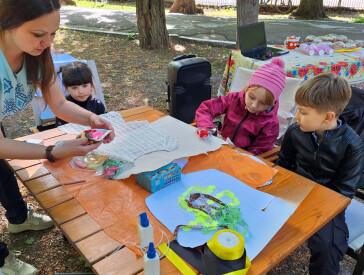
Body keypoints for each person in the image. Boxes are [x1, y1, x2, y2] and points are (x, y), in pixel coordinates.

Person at [0, 0, 115, 274]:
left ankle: (18, 219)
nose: (47, 42)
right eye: (39, 34)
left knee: (2, 175)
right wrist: (52, 151)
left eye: (53, 33)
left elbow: (59, 104)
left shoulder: (38, 53)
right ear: (6, 22)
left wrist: (90, 118)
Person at [276, 73, 364, 275]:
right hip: (293, 191)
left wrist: (311, 200)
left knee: (328, 248)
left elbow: (344, 191)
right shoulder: (296, 131)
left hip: (327, 204)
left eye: (303, 112)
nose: (296, 117)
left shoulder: (352, 146)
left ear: (328, 117)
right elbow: (284, 164)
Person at [195, 57, 286, 155]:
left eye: (263, 103)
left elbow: (260, 150)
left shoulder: (270, 123)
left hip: (241, 156)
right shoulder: (234, 99)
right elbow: (206, 109)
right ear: (246, 89)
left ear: (272, 103)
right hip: (219, 144)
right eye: (251, 97)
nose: (254, 105)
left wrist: (241, 156)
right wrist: (208, 128)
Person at [56, 61, 106, 126]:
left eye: (84, 86)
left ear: (91, 85)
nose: (81, 91)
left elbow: (104, 127)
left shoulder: (97, 105)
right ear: (66, 88)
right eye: (74, 87)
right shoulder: (64, 108)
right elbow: (61, 131)